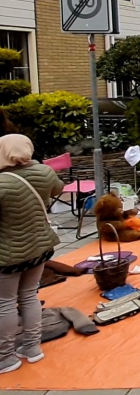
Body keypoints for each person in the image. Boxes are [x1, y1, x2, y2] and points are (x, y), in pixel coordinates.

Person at [0, 134, 64, 374]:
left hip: (7, 254)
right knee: (29, 296)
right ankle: (32, 347)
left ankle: (5, 357)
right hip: (39, 247)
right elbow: (58, 188)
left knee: (5, 303)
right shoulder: (44, 172)